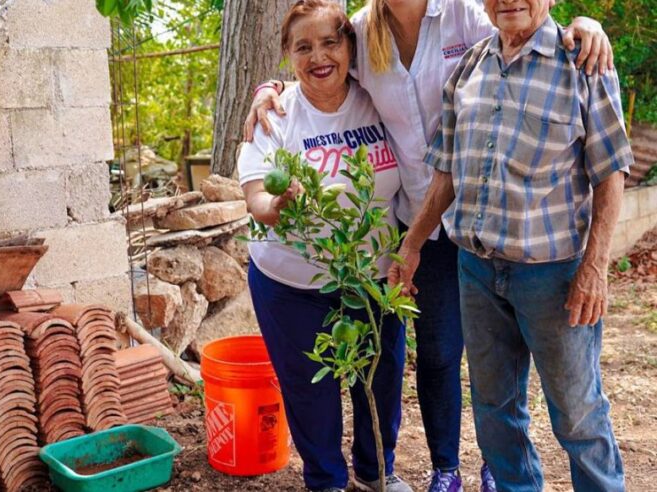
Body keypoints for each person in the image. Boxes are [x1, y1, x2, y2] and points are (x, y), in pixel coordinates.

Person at [244, 1, 613, 491]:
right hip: (422, 225)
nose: (324, 51)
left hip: (514, 240)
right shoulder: (358, 31)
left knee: (563, 401)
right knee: (450, 361)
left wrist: (584, 26)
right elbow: (314, 66)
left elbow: (527, 30)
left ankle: (494, 466)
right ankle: (448, 469)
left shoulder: (466, 16)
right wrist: (266, 89)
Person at [388, 0, 632, 488]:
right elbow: (445, 175)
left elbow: (611, 174)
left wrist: (595, 268)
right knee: (495, 413)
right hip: (476, 270)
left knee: (578, 416)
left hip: (554, 275)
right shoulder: (470, 67)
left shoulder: (583, 63)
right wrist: (411, 246)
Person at [237, 2, 409, 491]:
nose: (319, 56)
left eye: (330, 42)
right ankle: (327, 481)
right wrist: (279, 203)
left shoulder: (378, 97)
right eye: (303, 47)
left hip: (371, 278)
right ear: (287, 57)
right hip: (289, 283)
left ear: (350, 47)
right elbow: (257, 199)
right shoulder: (275, 115)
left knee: (381, 379)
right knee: (310, 392)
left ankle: (378, 474)